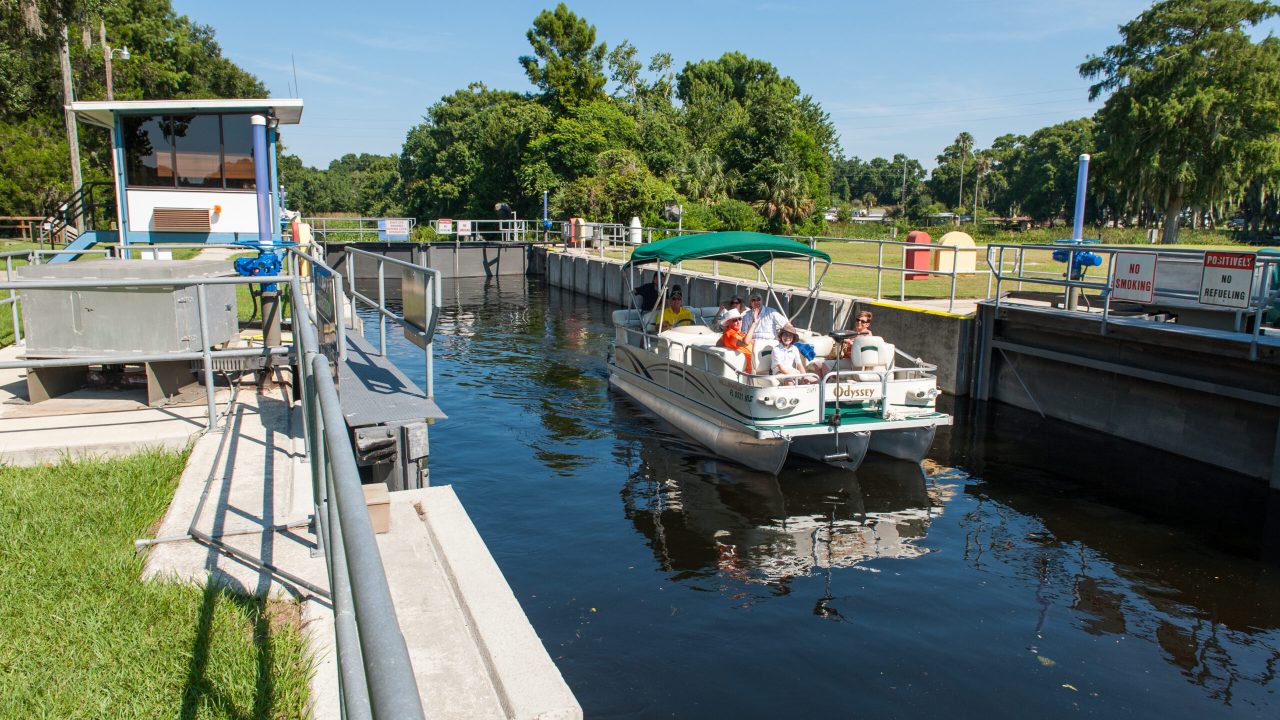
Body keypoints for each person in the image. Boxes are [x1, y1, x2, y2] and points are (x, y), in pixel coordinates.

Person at [810, 310, 873, 377]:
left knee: (826, 365)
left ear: (867, 324)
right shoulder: (852, 332)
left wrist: (850, 342)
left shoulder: (867, 334)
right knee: (816, 364)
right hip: (845, 358)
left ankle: (826, 384)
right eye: (857, 320)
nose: (859, 322)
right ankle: (822, 383)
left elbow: (863, 350)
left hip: (855, 362)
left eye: (862, 321)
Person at [716, 308, 753, 373]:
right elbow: (745, 343)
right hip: (751, 370)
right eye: (735, 320)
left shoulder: (733, 333)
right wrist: (753, 324)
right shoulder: (730, 334)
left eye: (740, 319)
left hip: (755, 364)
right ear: (728, 322)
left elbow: (718, 343)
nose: (738, 322)